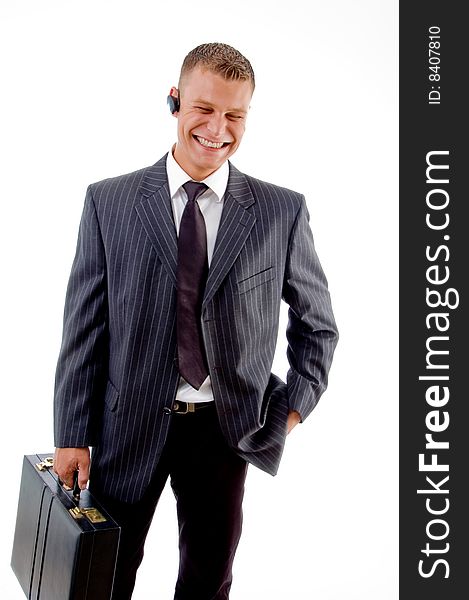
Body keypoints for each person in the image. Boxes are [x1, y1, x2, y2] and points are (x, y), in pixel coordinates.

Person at [53, 42, 338, 600]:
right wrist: (71, 434)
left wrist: (291, 413)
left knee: (208, 580)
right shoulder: (108, 202)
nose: (218, 127)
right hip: (125, 424)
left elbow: (318, 324)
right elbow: (82, 330)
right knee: (101, 579)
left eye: (235, 114)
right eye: (204, 108)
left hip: (225, 432)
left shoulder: (281, 211)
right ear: (175, 101)